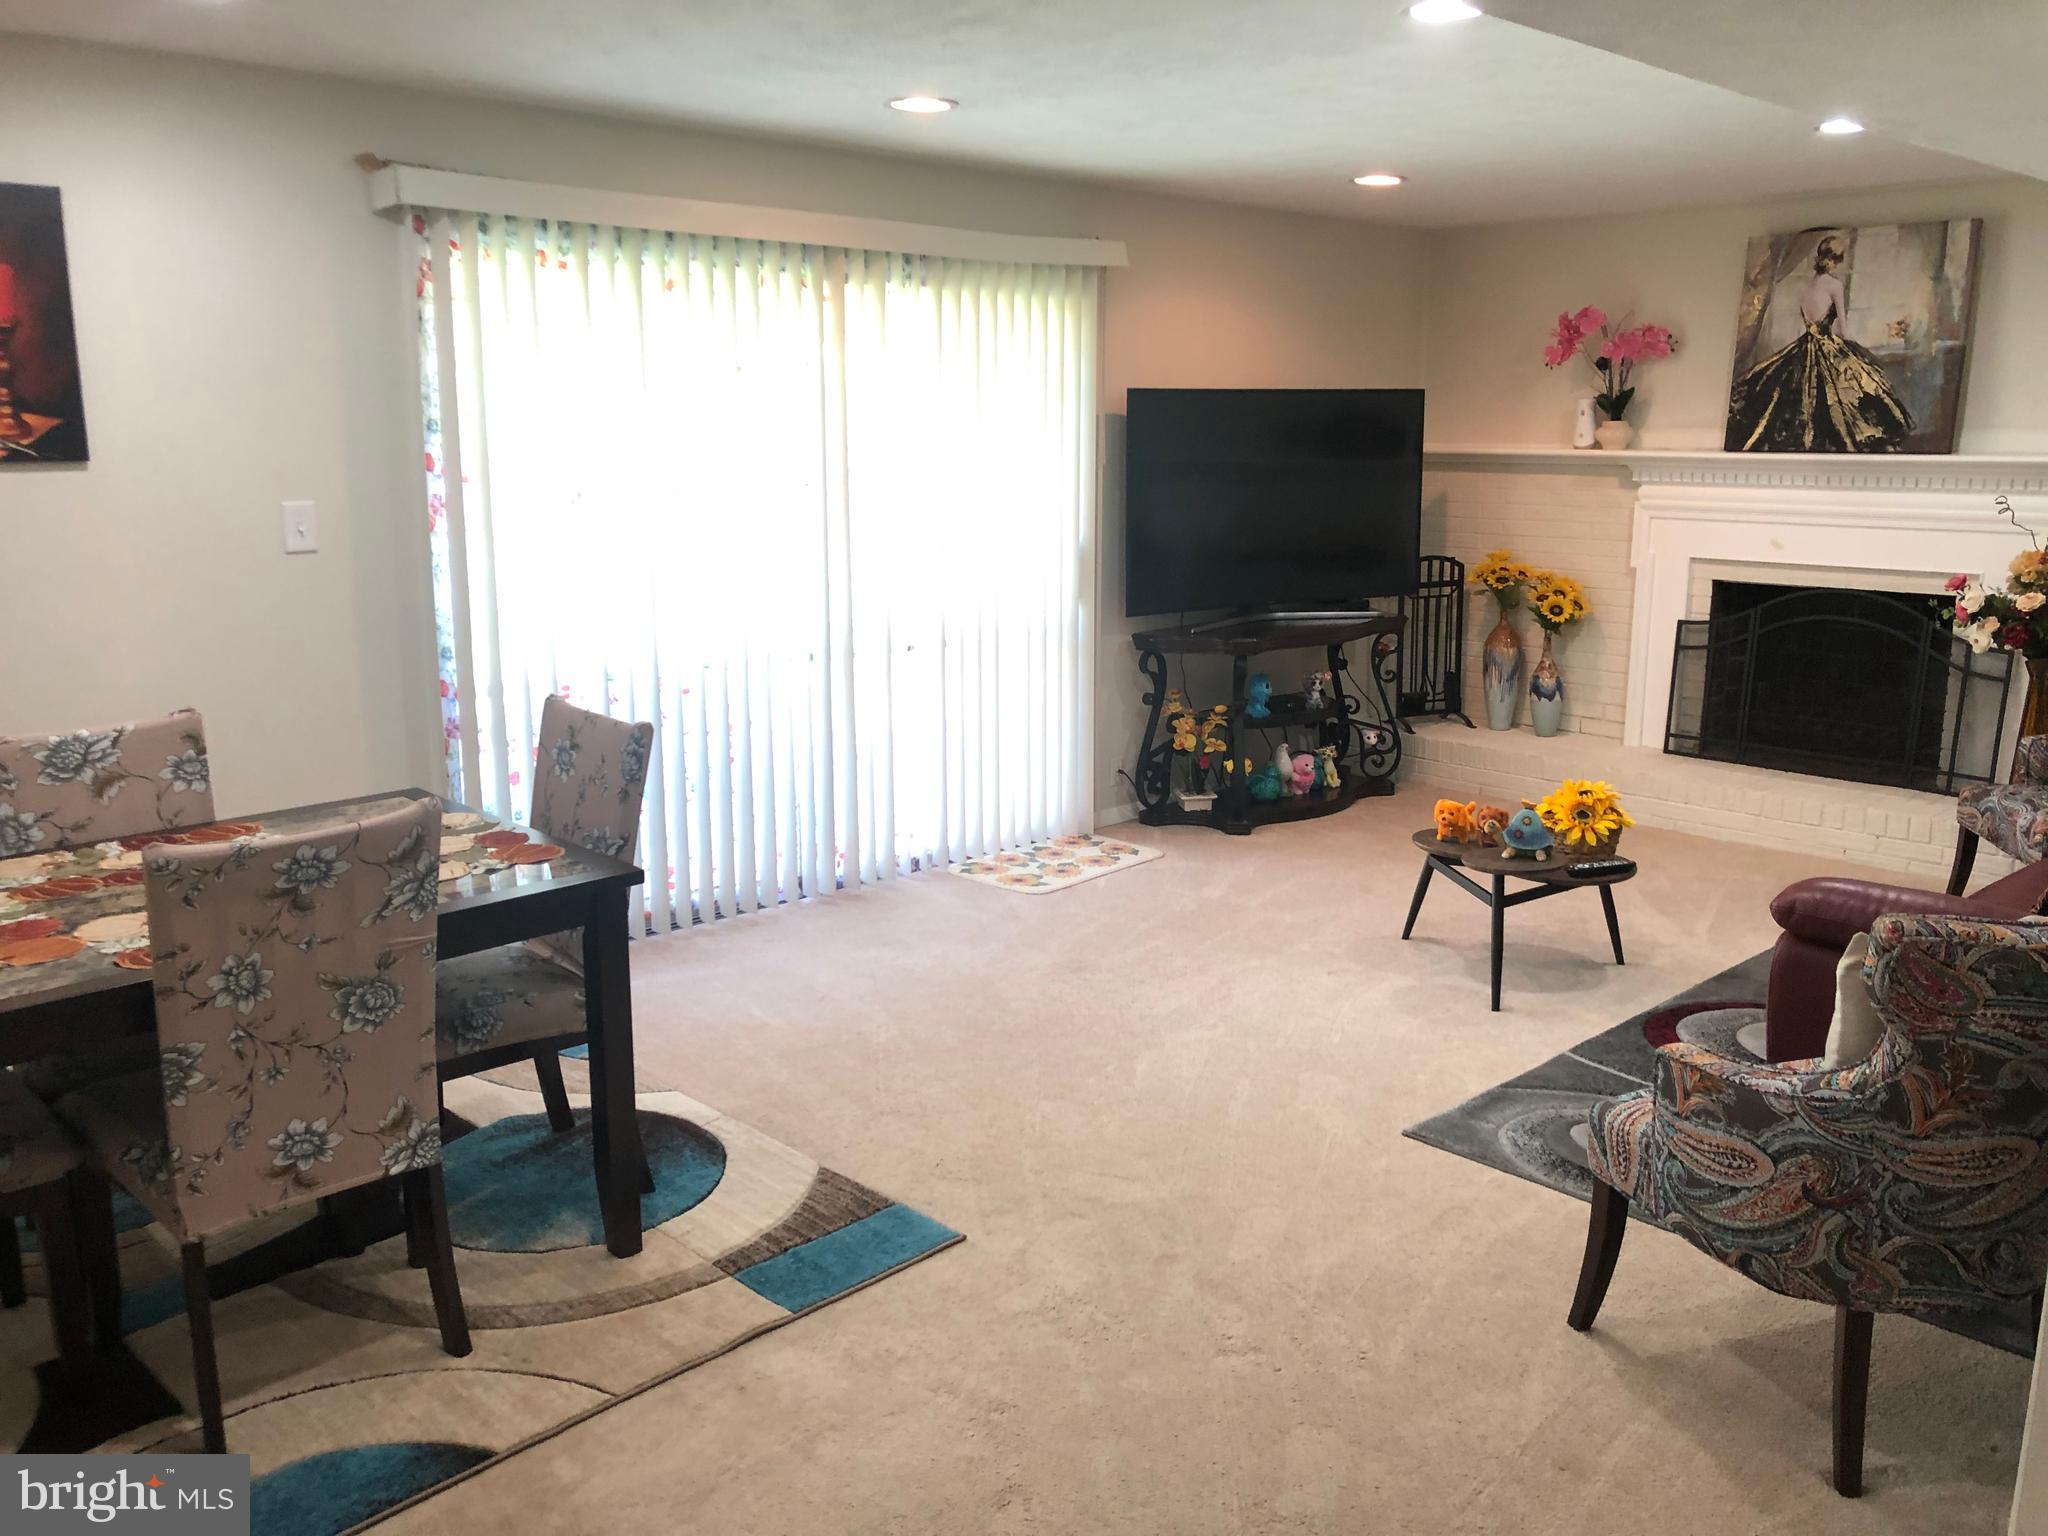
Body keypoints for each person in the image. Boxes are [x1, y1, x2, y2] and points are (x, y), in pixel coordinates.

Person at [1724, 232, 1913, 452]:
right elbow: (1843, 328)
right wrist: (1857, 351)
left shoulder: (1807, 288)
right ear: (1837, 259)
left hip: (1804, 347)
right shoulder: (1834, 286)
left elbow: (1808, 321)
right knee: (1853, 389)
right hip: (1827, 346)